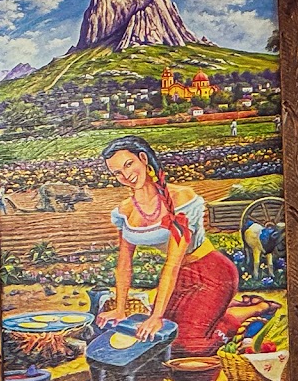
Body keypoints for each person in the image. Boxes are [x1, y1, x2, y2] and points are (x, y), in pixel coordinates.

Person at [97, 135, 238, 355]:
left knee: (186, 346)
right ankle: (219, 311)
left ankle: (238, 316)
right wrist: (120, 309)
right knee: (160, 340)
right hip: (181, 278)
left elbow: (172, 263)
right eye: (117, 173)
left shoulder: (180, 199)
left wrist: (156, 316)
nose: (125, 175)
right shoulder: (125, 210)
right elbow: (124, 263)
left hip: (212, 273)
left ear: (143, 159)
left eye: (128, 164)